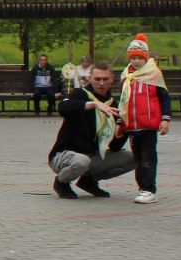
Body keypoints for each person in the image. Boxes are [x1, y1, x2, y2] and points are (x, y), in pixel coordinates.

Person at [47, 62, 133, 198]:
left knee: (135, 158)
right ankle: (61, 182)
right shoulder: (79, 94)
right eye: (97, 79)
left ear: (112, 79)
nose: (101, 83)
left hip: (93, 156)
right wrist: (93, 104)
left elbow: (114, 146)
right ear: (89, 78)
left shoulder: (113, 105)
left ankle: (88, 181)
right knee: (81, 161)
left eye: (105, 79)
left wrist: (123, 132)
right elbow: (63, 108)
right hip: (65, 155)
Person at [118, 36, 171, 204]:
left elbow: (164, 97)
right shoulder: (127, 76)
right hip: (132, 125)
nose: (136, 61)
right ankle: (142, 187)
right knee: (138, 158)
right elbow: (123, 100)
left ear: (146, 58)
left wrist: (165, 119)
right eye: (133, 57)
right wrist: (120, 122)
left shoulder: (154, 74)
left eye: (140, 57)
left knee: (148, 157)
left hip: (148, 124)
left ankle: (150, 189)